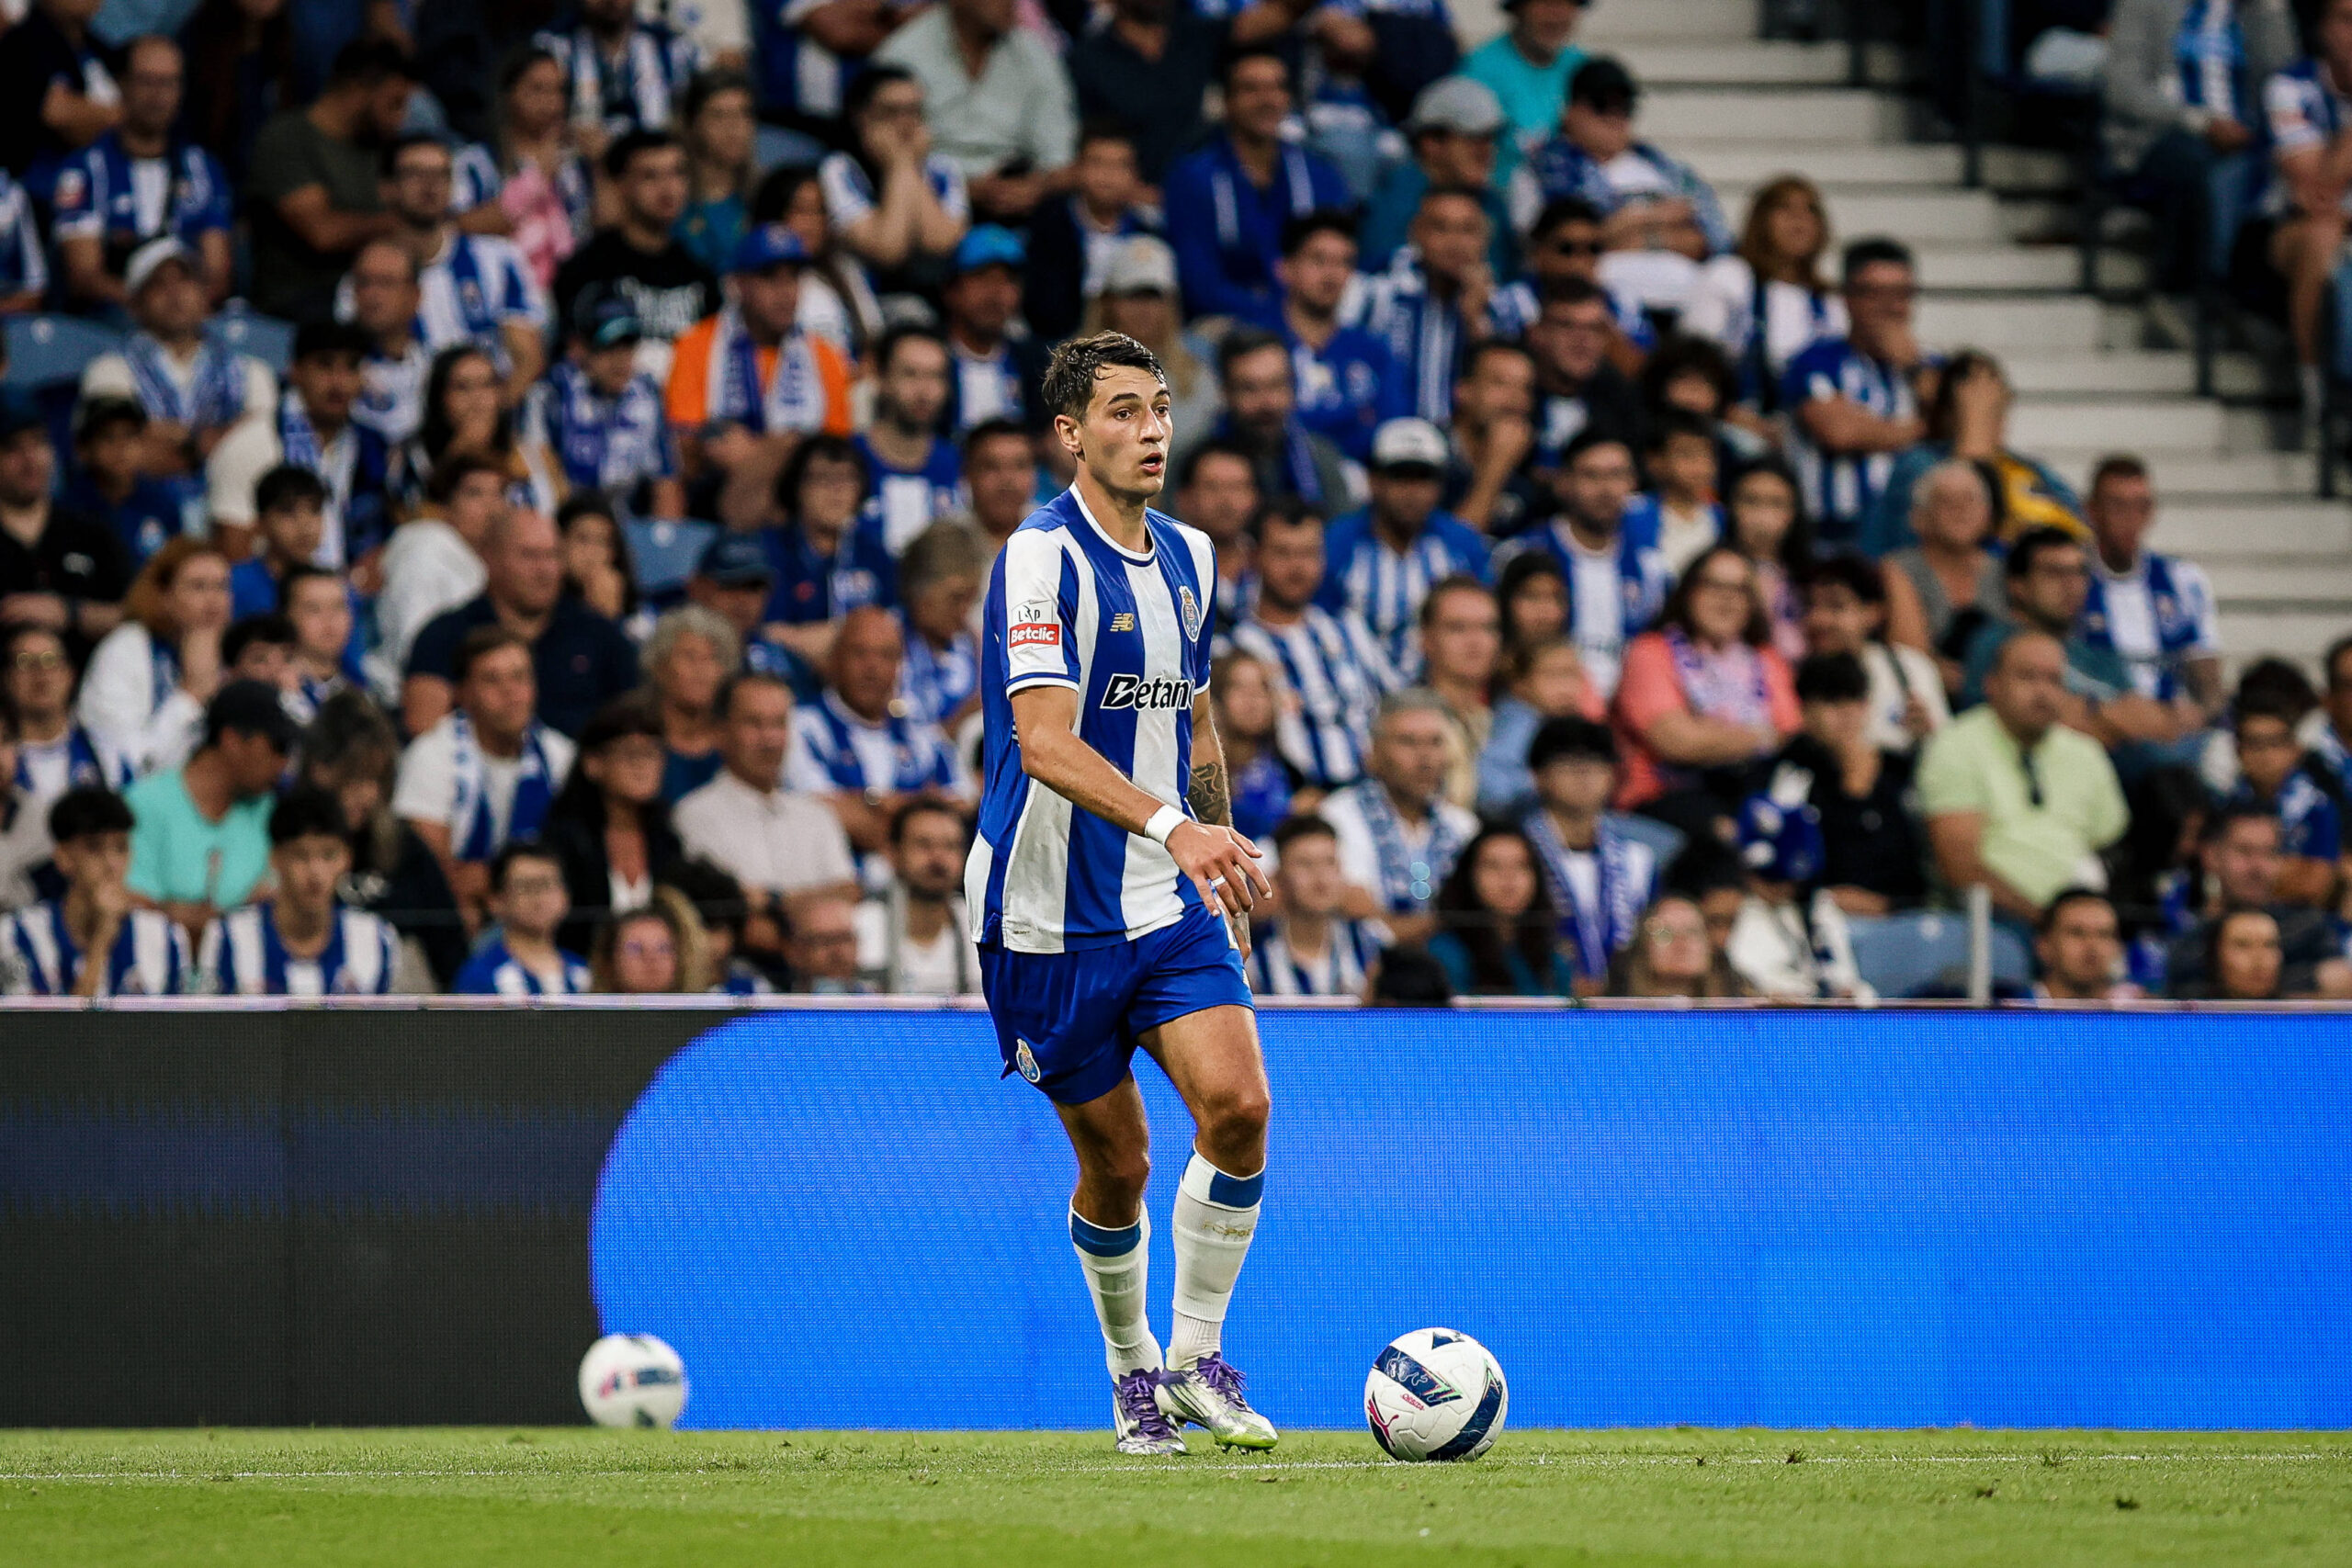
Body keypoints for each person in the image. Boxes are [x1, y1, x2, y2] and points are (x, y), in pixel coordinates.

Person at [968, 330, 1278, 1458]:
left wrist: (1215, 831)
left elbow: (1189, 709)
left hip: (1164, 896)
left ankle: (1194, 1359)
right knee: (1119, 1165)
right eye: (1122, 412)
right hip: (1043, 917)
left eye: (1157, 409)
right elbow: (1042, 741)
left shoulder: (1191, 555)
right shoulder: (1039, 557)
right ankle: (1130, 1371)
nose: (1150, 431)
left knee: (1238, 1109)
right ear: (1070, 433)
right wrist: (1174, 822)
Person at [1917, 630, 2130, 922]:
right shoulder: (1955, 746)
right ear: (1991, 684)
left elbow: (2109, 847)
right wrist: (2045, 922)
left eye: (2054, 680)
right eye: (2027, 677)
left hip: (2076, 920)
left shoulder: (2087, 754)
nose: (2043, 692)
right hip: (1989, 921)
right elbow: (1961, 870)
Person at [666, 224, 854, 528]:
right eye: (769, 277)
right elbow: (688, 450)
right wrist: (787, 448)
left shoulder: (826, 357)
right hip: (713, 505)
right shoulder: (697, 345)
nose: (785, 291)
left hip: (801, 509)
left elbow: (834, 455)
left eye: (793, 277)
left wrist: (760, 453)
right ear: (739, 283)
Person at [2102, 0, 2294, 299]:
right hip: (2165, 134)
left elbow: (2285, 80)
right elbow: (2121, 88)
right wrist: (2201, 123)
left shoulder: (2254, 10)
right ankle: (2200, 292)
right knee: (2214, 171)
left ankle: (2250, 298)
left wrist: (2272, 9)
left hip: (2248, 139)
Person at [393, 626, 580, 931]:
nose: (510, 692)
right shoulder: (431, 755)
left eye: (519, 677)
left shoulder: (561, 756)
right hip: (462, 917)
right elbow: (430, 870)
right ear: (463, 694)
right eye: (492, 679)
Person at [1510, 56, 1731, 309]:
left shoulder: (1663, 167)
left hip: (1687, 301)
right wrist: (1651, 217)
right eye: (1601, 105)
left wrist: (1632, 235)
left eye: (1625, 107)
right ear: (1570, 111)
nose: (1615, 117)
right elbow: (1565, 247)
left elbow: (1706, 239)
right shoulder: (1541, 170)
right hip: (1592, 304)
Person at [672, 671, 860, 963]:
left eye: (779, 724)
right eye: (754, 723)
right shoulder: (694, 814)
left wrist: (770, 901)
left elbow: (848, 894)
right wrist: (811, 904)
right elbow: (739, 923)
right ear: (721, 731)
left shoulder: (817, 815)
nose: (771, 739)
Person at [1611, 544, 1801, 829]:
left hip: (1752, 793)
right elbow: (1676, 742)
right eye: (1713, 585)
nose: (1726, 599)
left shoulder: (1767, 659)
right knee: (1729, 833)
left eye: (1739, 590)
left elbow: (1790, 736)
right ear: (1688, 591)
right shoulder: (1649, 652)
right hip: (1666, 797)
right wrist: (1759, 736)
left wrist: (1708, 734)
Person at [404, 510, 639, 739]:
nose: (544, 570)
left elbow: (635, 728)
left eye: (553, 555)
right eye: (529, 555)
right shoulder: (444, 635)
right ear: (490, 558)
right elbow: (424, 731)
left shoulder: (600, 635)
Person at [361, 132, 549, 407]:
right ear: (387, 188)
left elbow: (528, 359)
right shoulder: (365, 279)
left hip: (496, 426)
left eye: (441, 174)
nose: (430, 185)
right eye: (415, 173)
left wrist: (485, 426)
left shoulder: (499, 258)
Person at [1164, 49, 1351, 324]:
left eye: (1277, 88)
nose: (1267, 100)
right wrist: (1275, 315)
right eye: (1251, 89)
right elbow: (1200, 285)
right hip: (1229, 324)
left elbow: (1342, 260)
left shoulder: (1319, 174)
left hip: (1311, 320)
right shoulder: (1194, 177)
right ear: (1227, 101)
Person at [51, 35, 232, 310]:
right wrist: (154, 309)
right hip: (114, 321)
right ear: (122, 84)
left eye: (169, 83)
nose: (158, 95)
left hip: (188, 320)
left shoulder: (203, 169)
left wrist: (180, 311)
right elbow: (84, 276)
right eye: (146, 81)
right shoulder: (84, 169)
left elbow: (217, 274)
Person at [1067, 0, 1325, 187]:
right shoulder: (1087, 59)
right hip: (1129, 206)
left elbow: (1283, 13)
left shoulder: (1196, 36)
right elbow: (1085, 152)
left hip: (1204, 193)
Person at [244, 39, 413, 322]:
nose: (401, 118)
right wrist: (400, 222)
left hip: (364, 299)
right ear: (359, 89)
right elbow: (322, 233)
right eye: (394, 103)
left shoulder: (374, 148)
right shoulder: (288, 139)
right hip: (299, 305)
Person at [81, 241, 273, 487]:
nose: (175, 293)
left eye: (185, 280)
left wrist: (167, 438)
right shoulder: (109, 369)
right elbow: (121, 452)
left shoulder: (249, 370)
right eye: (158, 283)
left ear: (204, 294)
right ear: (135, 303)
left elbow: (257, 445)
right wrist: (206, 442)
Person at [1228, 502, 1391, 792]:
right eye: (1282, 553)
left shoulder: (1351, 630)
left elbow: (1393, 704)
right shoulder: (1233, 647)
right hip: (1289, 808)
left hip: (1371, 798)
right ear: (1254, 557)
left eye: (1309, 553)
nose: (1297, 567)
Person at [1781, 237, 1929, 551]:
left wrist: (1914, 370)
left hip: (1913, 539)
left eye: (1901, 294)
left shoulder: (1928, 367)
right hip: (1834, 536)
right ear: (1847, 297)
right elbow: (1839, 432)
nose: (1891, 306)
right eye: (1876, 293)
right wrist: (1923, 430)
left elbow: (1962, 430)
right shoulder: (1816, 360)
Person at [208, 321, 395, 569]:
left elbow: (391, 525)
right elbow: (234, 552)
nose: (339, 383)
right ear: (295, 371)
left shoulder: (372, 446)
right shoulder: (250, 445)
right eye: (325, 365)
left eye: (351, 367)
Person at [1864, 350, 2086, 557]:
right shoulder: (1918, 464)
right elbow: (1949, 533)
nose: (1992, 418)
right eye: (1980, 406)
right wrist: (1972, 437)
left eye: (1997, 406)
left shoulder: (2030, 470)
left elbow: (2080, 531)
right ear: (1950, 413)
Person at [872, 0, 1077, 223]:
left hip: (1025, 207)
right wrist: (961, 189)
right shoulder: (902, 56)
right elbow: (884, 154)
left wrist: (1036, 187)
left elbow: (1061, 159)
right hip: (929, 209)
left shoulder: (1035, 55)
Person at [1347, 184, 1534, 425]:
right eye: (1441, 228)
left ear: (1486, 238)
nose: (1456, 243)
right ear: (1416, 233)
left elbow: (1511, 393)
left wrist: (1475, 321)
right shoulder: (1376, 293)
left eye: (1468, 230)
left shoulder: (1510, 305)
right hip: (1390, 438)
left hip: (1469, 443)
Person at [1317, 418, 1493, 678]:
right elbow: (1320, 625)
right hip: (1357, 689)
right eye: (1400, 477)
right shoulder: (1338, 543)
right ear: (1374, 481)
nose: (1412, 492)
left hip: (1440, 694)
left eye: (1423, 479)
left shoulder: (1462, 545)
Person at [786, 605, 966, 856]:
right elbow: (818, 810)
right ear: (834, 659)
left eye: (886, 655)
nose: (872, 668)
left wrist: (874, 803)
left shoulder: (922, 733)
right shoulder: (802, 726)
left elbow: (963, 805)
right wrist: (919, 805)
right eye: (859, 653)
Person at [1501, 429, 1669, 700]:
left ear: (1632, 483)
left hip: (1626, 711)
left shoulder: (1652, 568)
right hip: (1543, 707)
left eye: (1616, 475)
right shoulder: (1521, 555)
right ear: (1563, 483)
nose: (1606, 489)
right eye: (1591, 475)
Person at [125, 679, 296, 934]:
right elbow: (132, 903)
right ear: (232, 740)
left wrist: (186, 915)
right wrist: (229, 917)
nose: (284, 762)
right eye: (278, 746)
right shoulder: (143, 805)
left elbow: (272, 903)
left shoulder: (268, 809)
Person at [1764, 651, 1928, 917]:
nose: (1847, 713)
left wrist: (1889, 906)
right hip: (1816, 916)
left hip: (1903, 915)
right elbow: (1774, 865)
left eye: (1855, 699)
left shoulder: (1900, 770)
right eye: (1832, 701)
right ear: (1804, 710)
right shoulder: (1787, 772)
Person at [1318, 688, 1480, 947]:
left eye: (1435, 742)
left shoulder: (1464, 828)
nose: (1425, 758)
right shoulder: (1336, 818)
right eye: (1408, 742)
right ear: (1374, 752)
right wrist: (1441, 922)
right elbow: (1360, 920)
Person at [200, 785, 400, 995]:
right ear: (275, 859)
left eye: (329, 855)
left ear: (347, 859)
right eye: (301, 856)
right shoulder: (228, 937)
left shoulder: (376, 938)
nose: (316, 872)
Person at [1681, 175, 1847, 418]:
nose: (1799, 219)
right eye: (1784, 208)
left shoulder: (1831, 302)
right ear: (1760, 219)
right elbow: (1692, 365)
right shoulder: (1728, 276)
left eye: (1810, 210)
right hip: (1736, 422)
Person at [2260, 0, 2352, 428]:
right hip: (2290, 229)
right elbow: (2317, 190)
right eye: (2348, 20)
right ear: (2323, 28)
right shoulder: (2291, 85)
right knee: (2323, 235)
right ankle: (2320, 395)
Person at [1, 784, 187, 996]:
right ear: (63, 857)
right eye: (94, 848)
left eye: (120, 848)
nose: (111, 864)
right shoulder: (17, 934)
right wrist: (102, 939)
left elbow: (178, 1027)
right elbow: (45, 1028)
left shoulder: (165, 936)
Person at [2076, 454, 2223, 715]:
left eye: (2141, 506)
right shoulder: (2071, 577)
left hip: (2170, 729)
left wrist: (2203, 716)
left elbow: (2207, 677)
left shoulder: (2184, 580)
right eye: (2117, 506)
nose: (2131, 518)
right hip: (2097, 725)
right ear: (2092, 511)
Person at [541, 692, 685, 956]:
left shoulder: (668, 842)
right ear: (593, 764)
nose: (643, 766)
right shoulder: (564, 843)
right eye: (631, 754)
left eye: (652, 753)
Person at [1518, 716, 1655, 993]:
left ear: (1612, 776)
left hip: (1622, 1003)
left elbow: (1657, 931)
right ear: (1538, 776)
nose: (1584, 774)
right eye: (1569, 764)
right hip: (1539, 999)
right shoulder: (1518, 855)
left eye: (1596, 764)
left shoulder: (1638, 860)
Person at [76, 536, 231, 776]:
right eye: (198, 587)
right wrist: (190, 695)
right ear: (164, 596)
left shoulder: (230, 654)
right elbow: (128, 768)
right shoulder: (125, 650)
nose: (214, 602)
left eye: (221, 586)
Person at [552, 130, 720, 346]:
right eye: (650, 176)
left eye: (677, 173)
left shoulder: (701, 277)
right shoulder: (586, 271)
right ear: (620, 185)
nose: (668, 188)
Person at [2162, 805, 2352, 997]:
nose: (2258, 867)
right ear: (2211, 856)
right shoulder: (2190, 941)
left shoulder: (2308, 926)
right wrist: (2307, 983)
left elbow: (2340, 982)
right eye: (2244, 851)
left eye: (2269, 853)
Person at [0, 624, 130, 905]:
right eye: (25, 662)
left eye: (50, 661)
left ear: (70, 675)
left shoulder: (109, 757)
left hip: (94, 902)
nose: (40, 673)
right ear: (7, 679)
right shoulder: (3, 762)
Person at [816, 64, 969, 292]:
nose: (906, 124)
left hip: (938, 296)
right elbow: (887, 250)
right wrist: (900, 164)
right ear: (861, 117)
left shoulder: (944, 169)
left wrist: (905, 165)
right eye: (891, 112)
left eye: (914, 111)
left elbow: (940, 244)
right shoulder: (839, 169)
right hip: (866, 295)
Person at [531, 296, 685, 521]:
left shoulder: (648, 394)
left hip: (625, 525)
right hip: (562, 518)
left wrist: (665, 542)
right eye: (609, 347)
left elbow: (666, 482)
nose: (621, 359)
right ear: (579, 348)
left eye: (628, 346)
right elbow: (543, 472)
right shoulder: (552, 393)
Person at [754, 434, 896, 671]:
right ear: (797, 486)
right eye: (823, 478)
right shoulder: (768, 550)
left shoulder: (874, 555)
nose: (837, 490)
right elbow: (767, 632)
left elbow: (892, 627)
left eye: (847, 478)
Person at [1276, 212, 1408, 467]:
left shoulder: (1373, 351)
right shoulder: (1260, 341)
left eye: (1343, 263)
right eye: (1318, 260)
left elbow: (1391, 432)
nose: (1331, 274)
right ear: (1285, 268)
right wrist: (1354, 418)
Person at [368, 451, 503, 691]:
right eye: (475, 494)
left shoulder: (485, 562)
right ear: (445, 504)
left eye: (498, 494)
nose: (491, 507)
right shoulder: (424, 550)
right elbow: (411, 644)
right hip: (407, 694)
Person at [1724, 784, 1870, 1000]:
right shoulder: (1731, 912)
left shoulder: (1819, 907)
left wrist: (1849, 995)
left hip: (1831, 1023)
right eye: (1774, 880)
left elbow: (1848, 981)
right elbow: (1751, 984)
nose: (1785, 888)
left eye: (1793, 880)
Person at [1360, 76, 1514, 277]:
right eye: (1475, 139)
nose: (1488, 151)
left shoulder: (1493, 203)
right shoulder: (1394, 206)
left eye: (1491, 139)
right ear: (1431, 144)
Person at [1091, 237, 1221, 474]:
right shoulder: (1080, 370)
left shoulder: (1197, 371)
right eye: (1132, 296)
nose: (1144, 309)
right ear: (1109, 302)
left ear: (1170, 303)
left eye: (1153, 297)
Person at [1023, 122, 1158, 346]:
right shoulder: (1049, 224)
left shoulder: (1148, 233)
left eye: (1119, 165)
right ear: (1077, 168)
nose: (1108, 176)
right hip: (1060, 343)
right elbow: (1041, 306)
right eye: (1098, 163)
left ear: (1135, 175)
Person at [474, 47, 594, 291]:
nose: (552, 102)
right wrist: (538, 178)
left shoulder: (574, 165)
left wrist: (601, 165)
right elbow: (464, 227)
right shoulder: (479, 162)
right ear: (508, 95)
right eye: (537, 89)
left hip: (569, 290)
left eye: (558, 90)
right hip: (504, 288)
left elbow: (600, 230)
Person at [1803, 550, 1946, 757]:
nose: (1818, 619)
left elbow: (1947, 754)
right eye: (1810, 605)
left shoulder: (1911, 668)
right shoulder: (1790, 671)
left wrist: (1928, 736)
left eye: (1836, 607)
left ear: (1872, 613)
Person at [1883, 459, 2007, 689]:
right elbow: (1912, 660)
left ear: (1988, 515)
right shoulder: (1898, 569)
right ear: (1919, 517)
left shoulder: (2007, 570)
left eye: (1970, 499)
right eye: (1945, 501)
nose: (1960, 509)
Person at [1214, 328, 1354, 513]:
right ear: (1225, 392)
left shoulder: (1320, 457)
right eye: (1249, 388)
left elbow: (1339, 534)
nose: (1266, 403)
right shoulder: (1198, 465)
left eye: (1276, 385)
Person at [1247, 813, 1386, 998]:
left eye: (1329, 863)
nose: (1321, 879)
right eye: (1305, 864)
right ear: (1280, 876)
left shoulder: (1370, 943)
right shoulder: (1253, 954)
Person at [2226, 688, 2343, 907]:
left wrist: (2248, 881)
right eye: (2255, 743)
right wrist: (2288, 869)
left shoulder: (2318, 806)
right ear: (2238, 750)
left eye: (2275, 743)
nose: (2265, 755)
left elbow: (2314, 885)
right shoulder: (2225, 803)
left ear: (2295, 750)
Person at [1424, 825, 1571, 997]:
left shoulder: (1553, 957)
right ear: (1468, 876)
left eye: (1521, 866)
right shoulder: (1444, 955)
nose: (1509, 877)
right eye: (1493, 866)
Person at [534, 0, 702, 150]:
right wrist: (567, 132)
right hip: (575, 163)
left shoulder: (669, 45)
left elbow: (690, 110)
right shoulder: (552, 45)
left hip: (655, 164)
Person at [854, 795, 979, 995]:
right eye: (923, 844)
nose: (938, 858)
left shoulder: (980, 927)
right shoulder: (861, 926)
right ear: (893, 853)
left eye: (950, 846)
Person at [858, 326, 964, 555]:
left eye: (935, 376)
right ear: (880, 378)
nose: (924, 391)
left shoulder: (959, 466)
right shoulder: (848, 461)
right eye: (910, 374)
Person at [1462, 0, 1588, 191]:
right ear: (1517, 9)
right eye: (1546, 3)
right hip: (1499, 201)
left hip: (1572, 201)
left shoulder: (1582, 67)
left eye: (1568, 3)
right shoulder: (1479, 71)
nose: (1557, 14)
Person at [1522, 279, 1645, 471]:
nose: (1582, 339)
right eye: (1566, 325)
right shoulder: (1515, 395)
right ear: (1537, 333)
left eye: (1594, 329)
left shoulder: (1622, 402)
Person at [939, 226, 1049, 436]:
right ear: (951, 290)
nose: (996, 293)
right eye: (982, 277)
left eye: (1008, 280)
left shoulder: (1033, 363)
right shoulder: (929, 357)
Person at [0, 0, 122, 186]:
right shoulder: (23, 42)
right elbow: (60, 116)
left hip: (105, 185)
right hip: (39, 190)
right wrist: (127, 117)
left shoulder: (101, 49)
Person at [453, 840, 593, 994]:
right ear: (496, 900)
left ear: (566, 895)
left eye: (547, 884)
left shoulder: (583, 974)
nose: (539, 897)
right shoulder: (481, 977)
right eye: (525, 886)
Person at [61, 398, 181, 569]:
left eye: (130, 435)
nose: (121, 447)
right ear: (83, 449)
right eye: (108, 437)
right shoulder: (68, 510)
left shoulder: (162, 502)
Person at [896, 521, 986, 733]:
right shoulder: (882, 644)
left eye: (970, 600)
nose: (964, 611)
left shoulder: (976, 644)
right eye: (955, 598)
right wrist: (956, 726)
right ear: (919, 592)